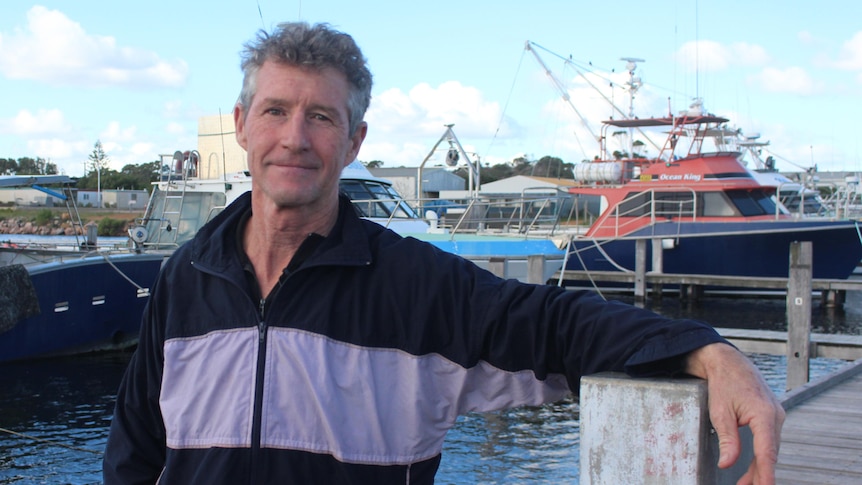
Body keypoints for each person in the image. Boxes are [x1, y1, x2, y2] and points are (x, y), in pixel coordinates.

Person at [104, 22, 784, 484]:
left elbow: (553, 324)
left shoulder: (414, 288)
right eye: (277, 110)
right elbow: (135, 449)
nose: (295, 137)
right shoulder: (184, 278)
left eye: (321, 116)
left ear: (354, 139)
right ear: (241, 124)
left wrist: (704, 348)